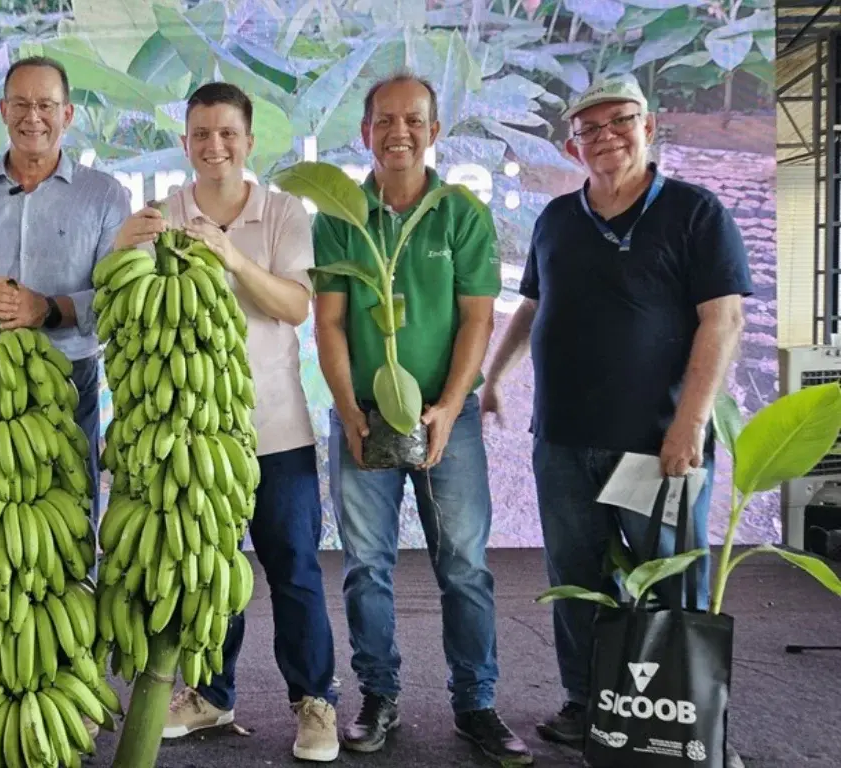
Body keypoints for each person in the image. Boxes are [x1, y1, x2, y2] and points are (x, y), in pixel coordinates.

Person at [481, 75, 751, 763]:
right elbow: (532, 305)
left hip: (655, 444)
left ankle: (678, 716)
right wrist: (495, 376)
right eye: (590, 129)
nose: (606, 137)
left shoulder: (695, 212)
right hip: (563, 441)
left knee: (668, 579)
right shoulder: (556, 219)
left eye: (620, 121)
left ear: (648, 126)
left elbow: (722, 321)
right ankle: (589, 703)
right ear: (574, 146)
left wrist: (688, 425)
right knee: (577, 579)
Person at [112, 82, 340, 762]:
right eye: (201, 134)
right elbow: (127, 311)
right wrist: (121, 249)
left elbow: (294, 307)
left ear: (249, 141)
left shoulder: (283, 212)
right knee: (208, 568)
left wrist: (230, 254)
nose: (215, 145)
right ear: (185, 143)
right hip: (190, 432)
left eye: (227, 133)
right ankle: (211, 694)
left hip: (275, 428)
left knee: (294, 567)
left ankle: (314, 701)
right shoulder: (160, 214)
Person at [313, 71, 532, 765]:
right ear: (365, 132)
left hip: (448, 417)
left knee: (464, 566)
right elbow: (329, 323)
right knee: (365, 567)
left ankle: (476, 704)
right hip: (363, 417)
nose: (398, 132)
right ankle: (378, 697)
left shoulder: (459, 212)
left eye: (413, 120)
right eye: (385, 119)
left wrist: (448, 405)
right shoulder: (340, 216)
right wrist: (348, 409)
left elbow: (476, 319)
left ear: (434, 131)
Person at [0, 55, 130, 526]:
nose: (32, 117)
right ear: (3, 111)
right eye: (20, 104)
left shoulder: (104, 195)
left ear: (68, 114)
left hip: (68, 373)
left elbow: (115, 296)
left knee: (70, 516)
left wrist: (49, 309)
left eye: (46, 105)